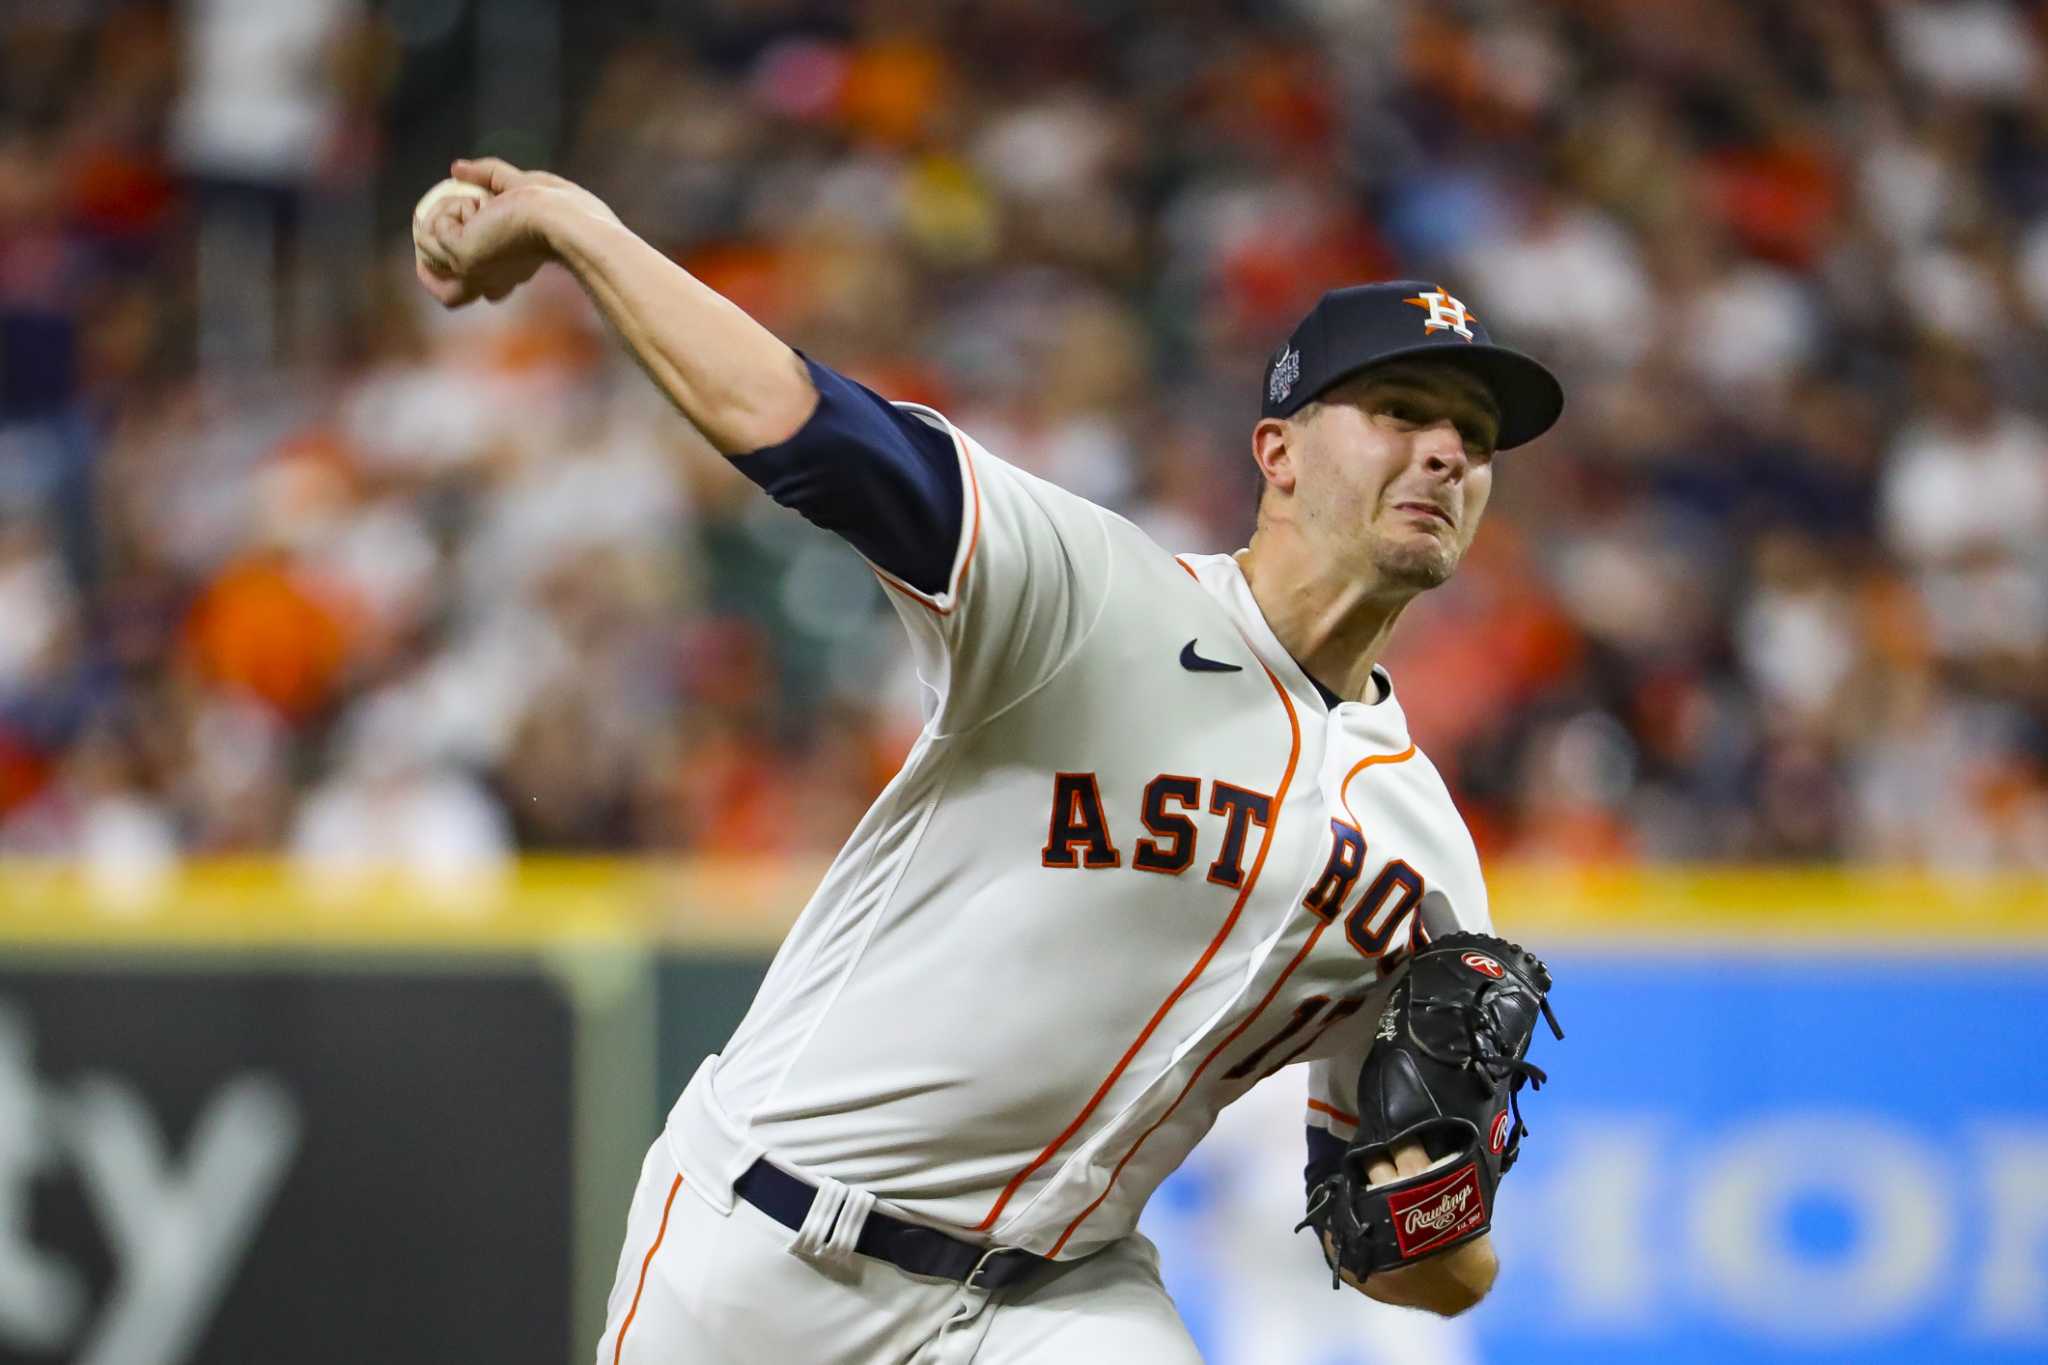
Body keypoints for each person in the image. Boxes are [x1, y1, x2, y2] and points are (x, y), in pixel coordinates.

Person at [414, 156, 1564, 1365]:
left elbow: (1400, 1265)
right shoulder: (1090, 596)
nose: (1445, 453)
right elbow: (795, 420)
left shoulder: (1424, 855)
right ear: (1275, 452)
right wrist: (574, 223)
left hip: (1056, 1303)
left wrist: (1436, 1205)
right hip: (768, 1248)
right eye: (1400, 414)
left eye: (1474, 438)